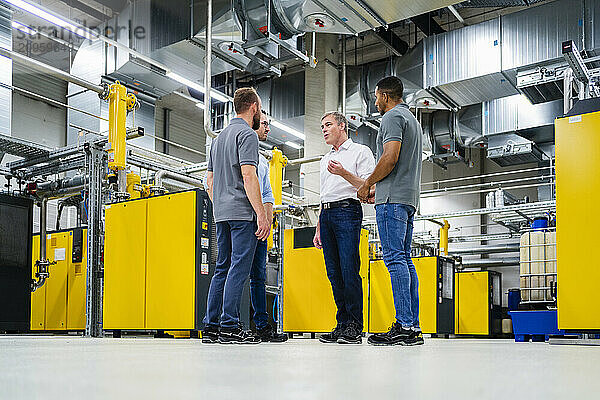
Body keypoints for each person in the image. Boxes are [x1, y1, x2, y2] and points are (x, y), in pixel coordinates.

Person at [357, 76, 424, 346]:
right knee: (405, 260)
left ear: (385, 96)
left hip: (393, 201)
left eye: (376, 96)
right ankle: (412, 325)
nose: (375, 102)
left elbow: (390, 156)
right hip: (407, 199)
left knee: (396, 261)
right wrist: (379, 187)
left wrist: (367, 183)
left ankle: (405, 326)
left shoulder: (392, 118)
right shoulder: (412, 120)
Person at [202, 87, 270, 344]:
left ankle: (211, 327)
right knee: (238, 269)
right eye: (260, 109)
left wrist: (220, 204)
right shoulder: (247, 135)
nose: (259, 113)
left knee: (222, 268)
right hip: (242, 213)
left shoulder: (218, 140)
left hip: (221, 214)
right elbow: (249, 176)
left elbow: (209, 180)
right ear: (253, 107)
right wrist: (261, 215)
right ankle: (230, 325)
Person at [313, 111, 375, 344]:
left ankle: (355, 326)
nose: (324, 130)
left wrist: (343, 172)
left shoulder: (360, 152)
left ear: (342, 126)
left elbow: (368, 187)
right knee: (333, 272)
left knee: (349, 269)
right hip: (327, 214)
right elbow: (323, 195)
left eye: (328, 125)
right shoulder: (324, 159)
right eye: (321, 127)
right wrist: (319, 226)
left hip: (348, 211)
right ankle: (342, 323)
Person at [250, 111, 288, 343]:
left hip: (260, 227)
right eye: (264, 124)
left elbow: (267, 194)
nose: (268, 128)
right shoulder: (239, 151)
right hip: (243, 221)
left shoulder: (263, 162)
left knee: (258, 276)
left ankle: (261, 325)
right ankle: (228, 323)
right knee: (235, 272)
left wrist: (266, 220)